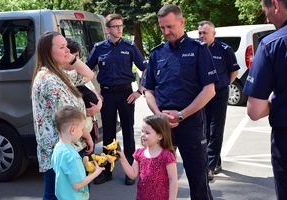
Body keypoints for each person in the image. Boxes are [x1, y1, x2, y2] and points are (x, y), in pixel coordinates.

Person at [142, 4, 219, 199]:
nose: (166, 32)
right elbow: (148, 90)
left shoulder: (198, 49)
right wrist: (158, 114)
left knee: (198, 180)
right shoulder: (157, 53)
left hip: (190, 124)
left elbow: (209, 91)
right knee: (157, 181)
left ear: (182, 22)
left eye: (170, 26)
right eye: (162, 28)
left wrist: (182, 114)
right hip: (161, 126)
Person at [31, 31, 94, 200]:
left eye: (67, 46)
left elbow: (89, 75)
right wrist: (87, 137)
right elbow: (69, 117)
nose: (67, 51)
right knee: (60, 195)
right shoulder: (49, 80)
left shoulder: (59, 74)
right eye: (62, 47)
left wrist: (72, 59)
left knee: (65, 194)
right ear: (48, 52)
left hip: (68, 146)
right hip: (61, 150)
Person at [86, 13, 147, 185]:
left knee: (128, 132)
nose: (119, 29)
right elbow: (85, 71)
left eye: (121, 26)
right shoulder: (99, 48)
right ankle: (106, 170)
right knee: (109, 134)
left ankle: (130, 170)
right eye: (115, 26)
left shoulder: (130, 46)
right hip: (106, 95)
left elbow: (145, 69)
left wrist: (139, 91)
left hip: (126, 94)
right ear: (107, 29)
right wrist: (94, 93)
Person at [242, 0, 287, 199]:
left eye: (265, 10)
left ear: (275, 5)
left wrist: (278, 101)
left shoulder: (272, 43)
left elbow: (255, 110)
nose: (266, 16)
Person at [197, 21, 240, 180]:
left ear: (213, 34)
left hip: (219, 94)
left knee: (215, 130)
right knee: (204, 129)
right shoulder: (196, 50)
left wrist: (224, 84)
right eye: (200, 33)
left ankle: (209, 166)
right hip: (201, 94)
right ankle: (217, 161)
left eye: (205, 33)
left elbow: (234, 70)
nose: (201, 36)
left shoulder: (224, 50)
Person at [116, 114, 178, 200]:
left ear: (160, 136)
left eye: (147, 133)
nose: (142, 135)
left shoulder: (167, 156)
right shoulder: (139, 153)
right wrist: (122, 158)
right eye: (142, 131)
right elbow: (133, 174)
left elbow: (173, 180)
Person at [51, 105, 104, 200]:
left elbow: (64, 169)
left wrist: (82, 162)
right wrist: (96, 172)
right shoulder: (72, 155)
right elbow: (77, 184)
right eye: (82, 129)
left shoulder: (58, 149)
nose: (82, 133)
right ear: (73, 130)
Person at [65, 37, 102, 148]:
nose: (76, 60)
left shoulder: (81, 75)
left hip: (89, 127)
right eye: (73, 57)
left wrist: (97, 107)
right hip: (77, 134)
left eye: (77, 56)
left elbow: (98, 97)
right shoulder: (66, 78)